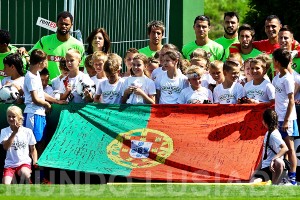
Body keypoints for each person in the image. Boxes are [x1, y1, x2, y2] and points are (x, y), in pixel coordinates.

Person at [26, 11, 85, 81]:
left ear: (71, 25)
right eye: (61, 23)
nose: (64, 26)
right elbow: (31, 56)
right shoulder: (45, 40)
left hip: (68, 86)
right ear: (57, 24)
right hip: (46, 85)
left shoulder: (78, 45)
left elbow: (81, 67)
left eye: (66, 24)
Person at [272, 48, 299, 185]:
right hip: (279, 118)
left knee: (290, 148)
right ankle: (286, 176)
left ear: (276, 61)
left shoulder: (288, 79)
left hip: (287, 119)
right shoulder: (277, 77)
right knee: (283, 148)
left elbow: (291, 100)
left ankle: (293, 178)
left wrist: (287, 120)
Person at [0, 106, 37, 184]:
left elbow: (33, 149)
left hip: (24, 163)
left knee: (25, 174)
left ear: (20, 118)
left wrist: (35, 161)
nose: (11, 119)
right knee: (6, 184)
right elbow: (6, 147)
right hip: (9, 165)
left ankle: (29, 186)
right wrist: (14, 133)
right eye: (9, 116)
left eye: (13, 116)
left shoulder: (28, 131)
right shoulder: (4, 131)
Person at [250, 108, 288, 185]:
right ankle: (271, 183)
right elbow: (264, 155)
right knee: (252, 183)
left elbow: (285, 148)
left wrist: (273, 160)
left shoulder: (274, 134)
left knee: (278, 161)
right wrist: (256, 171)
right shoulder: (268, 133)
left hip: (272, 167)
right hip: (266, 167)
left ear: (264, 121)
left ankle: (275, 184)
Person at [23, 49, 51, 142]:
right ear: (40, 62)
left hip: (39, 113)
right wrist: (47, 104)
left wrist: (56, 100)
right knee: (32, 142)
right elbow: (35, 99)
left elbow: (40, 93)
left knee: (41, 141)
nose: (46, 64)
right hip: (33, 114)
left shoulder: (37, 74)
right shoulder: (30, 77)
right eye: (45, 61)